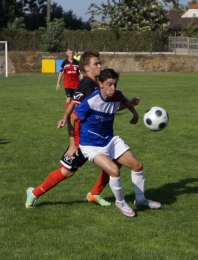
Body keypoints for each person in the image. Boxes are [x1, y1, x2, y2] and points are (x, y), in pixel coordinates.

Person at [25, 50, 139, 209]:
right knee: (67, 172)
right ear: (86, 67)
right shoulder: (86, 84)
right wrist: (69, 131)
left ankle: (95, 193)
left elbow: (112, 104)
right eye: (96, 64)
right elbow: (73, 104)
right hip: (83, 137)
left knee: (114, 162)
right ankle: (35, 192)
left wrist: (132, 110)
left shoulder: (98, 84)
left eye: (100, 63)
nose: (100, 66)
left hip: (99, 136)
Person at [68, 68, 161, 217]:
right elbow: (72, 118)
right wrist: (73, 144)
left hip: (109, 140)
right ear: (100, 84)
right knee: (114, 170)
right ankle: (120, 202)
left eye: (115, 84)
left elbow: (122, 102)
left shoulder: (116, 95)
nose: (113, 88)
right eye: (109, 84)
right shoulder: (91, 101)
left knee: (137, 166)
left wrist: (135, 113)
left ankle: (140, 199)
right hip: (91, 145)